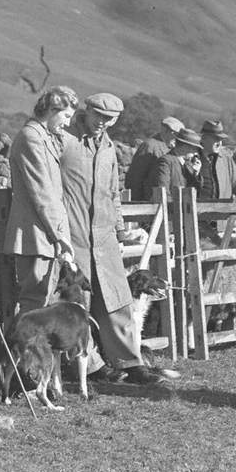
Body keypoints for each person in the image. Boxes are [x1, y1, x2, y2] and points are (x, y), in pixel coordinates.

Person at [60, 93, 165, 385]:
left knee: (117, 299)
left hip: (104, 234)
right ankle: (91, 367)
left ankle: (131, 362)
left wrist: (119, 229)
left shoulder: (107, 146)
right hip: (73, 233)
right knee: (78, 301)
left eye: (110, 119)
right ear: (87, 111)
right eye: (99, 116)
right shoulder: (64, 140)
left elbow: (113, 192)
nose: (103, 123)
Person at [3, 86, 79, 313]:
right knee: (35, 302)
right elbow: (42, 191)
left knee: (45, 301)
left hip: (46, 233)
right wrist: (60, 235)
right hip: (35, 234)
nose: (67, 123)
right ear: (52, 110)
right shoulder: (31, 138)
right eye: (66, 116)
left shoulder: (44, 137)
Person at [123, 116, 184, 200]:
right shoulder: (149, 146)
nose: (177, 138)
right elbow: (135, 177)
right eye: (175, 134)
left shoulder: (169, 147)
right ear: (166, 131)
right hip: (149, 199)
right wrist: (138, 202)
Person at [196, 120, 236, 200]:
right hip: (198, 207)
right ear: (203, 138)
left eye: (221, 140)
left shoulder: (226, 158)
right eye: (216, 139)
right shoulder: (193, 158)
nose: (219, 143)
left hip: (223, 207)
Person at [146, 128, 204, 197]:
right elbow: (163, 192)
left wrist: (196, 174)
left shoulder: (188, 165)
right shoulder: (165, 162)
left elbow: (195, 193)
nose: (195, 153)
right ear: (184, 147)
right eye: (194, 149)